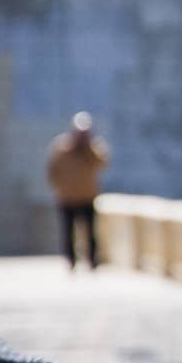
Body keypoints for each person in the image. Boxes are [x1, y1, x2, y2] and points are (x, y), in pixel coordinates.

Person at [46, 112, 110, 270]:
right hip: (67, 197)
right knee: (68, 232)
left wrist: (88, 147)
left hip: (87, 197)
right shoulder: (62, 148)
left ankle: (92, 260)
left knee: (90, 232)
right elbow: (52, 170)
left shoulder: (94, 147)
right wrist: (59, 188)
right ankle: (71, 260)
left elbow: (102, 163)